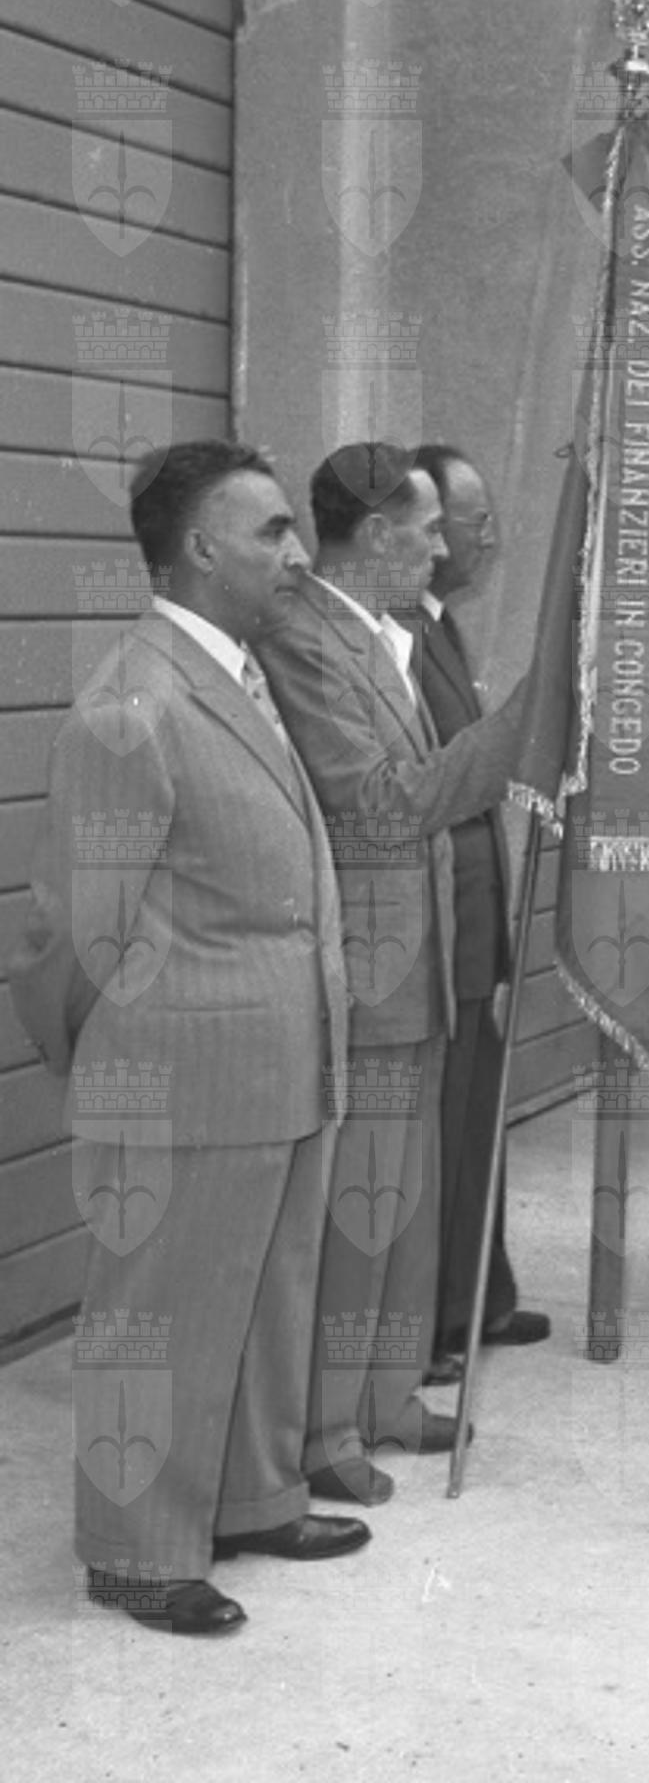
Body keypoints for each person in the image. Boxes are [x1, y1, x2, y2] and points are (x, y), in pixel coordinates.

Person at [11, 441, 370, 1635]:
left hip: (281, 1060)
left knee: (267, 1297)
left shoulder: (237, 675)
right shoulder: (135, 702)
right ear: (201, 548)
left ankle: (253, 1496)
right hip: (181, 1072)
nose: (296, 551)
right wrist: (110, 1055)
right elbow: (74, 927)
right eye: (270, 529)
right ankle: (135, 1551)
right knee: (158, 1315)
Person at [259, 442, 531, 1508]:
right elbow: (379, 804)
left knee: (405, 1208)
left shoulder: (385, 631)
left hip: (417, 965)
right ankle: (326, 1425)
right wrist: (525, 723)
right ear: (374, 535)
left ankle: (384, 1393)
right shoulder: (305, 637)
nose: (441, 548)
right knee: (361, 1211)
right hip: (366, 978)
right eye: (424, 531)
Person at [410, 446, 552, 1378]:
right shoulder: (400, 640)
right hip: (441, 928)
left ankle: (479, 1298)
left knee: (477, 1122)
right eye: (472, 522)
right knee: (446, 1134)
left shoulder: (441, 628)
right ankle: (437, 1318)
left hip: (475, 919)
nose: (488, 538)